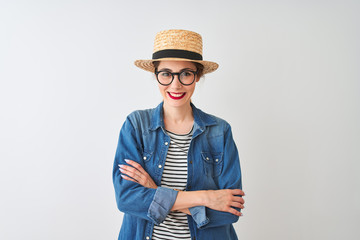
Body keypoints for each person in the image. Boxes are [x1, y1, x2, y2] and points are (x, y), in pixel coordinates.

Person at [112, 29, 245, 240]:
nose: (175, 84)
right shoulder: (136, 125)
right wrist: (206, 197)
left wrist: (155, 191)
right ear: (155, 75)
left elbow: (230, 210)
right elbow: (127, 199)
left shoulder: (220, 131)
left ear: (197, 76)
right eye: (166, 73)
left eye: (185, 73)